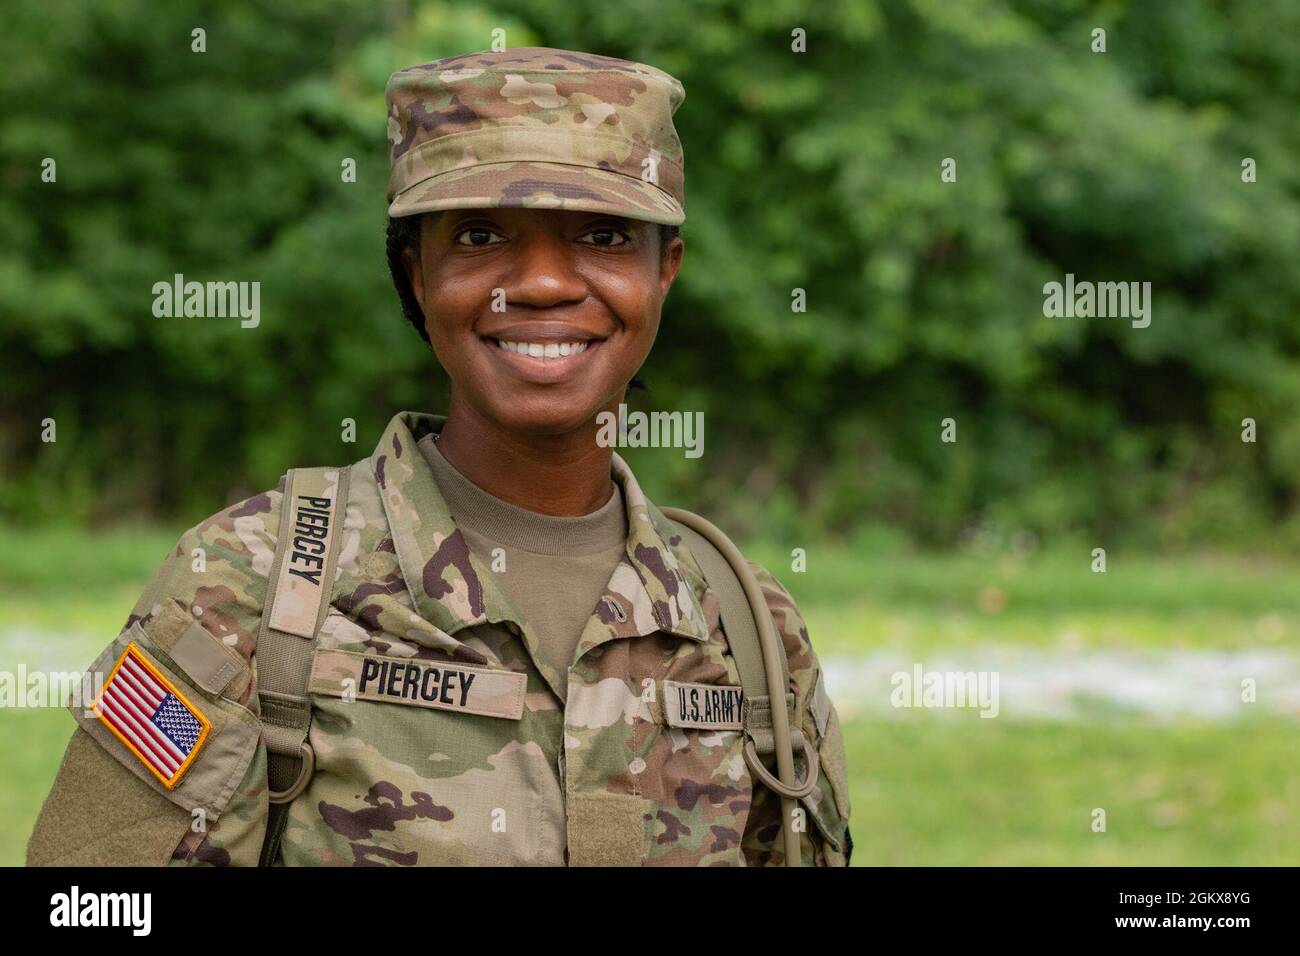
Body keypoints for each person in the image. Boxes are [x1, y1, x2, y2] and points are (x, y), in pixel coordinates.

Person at [27, 46, 851, 867]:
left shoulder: (749, 629)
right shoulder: (248, 590)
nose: (539, 284)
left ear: (663, 272)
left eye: (602, 236)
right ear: (417, 274)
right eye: (481, 235)